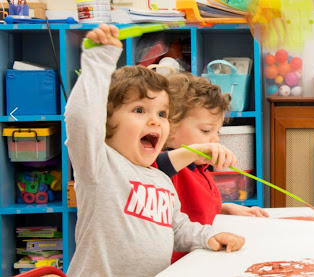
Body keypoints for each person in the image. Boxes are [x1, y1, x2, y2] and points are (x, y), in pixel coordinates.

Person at [64, 24, 245, 277]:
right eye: (139, 110)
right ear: (105, 123)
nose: (155, 121)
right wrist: (99, 60)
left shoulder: (161, 179)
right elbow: (81, 120)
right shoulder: (100, 165)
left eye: (162, 114)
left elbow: (178, 229)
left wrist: (210, 236)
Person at [153, 73, 268, 263]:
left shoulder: (200, 168)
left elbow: (193, 209)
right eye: (206, 131)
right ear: (169, 127)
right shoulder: (165, 167)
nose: (215, 139)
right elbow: (159, 167)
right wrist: (193, 151)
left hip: (202, 255)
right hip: (176, 265)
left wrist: (222, 208)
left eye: (218, 132)